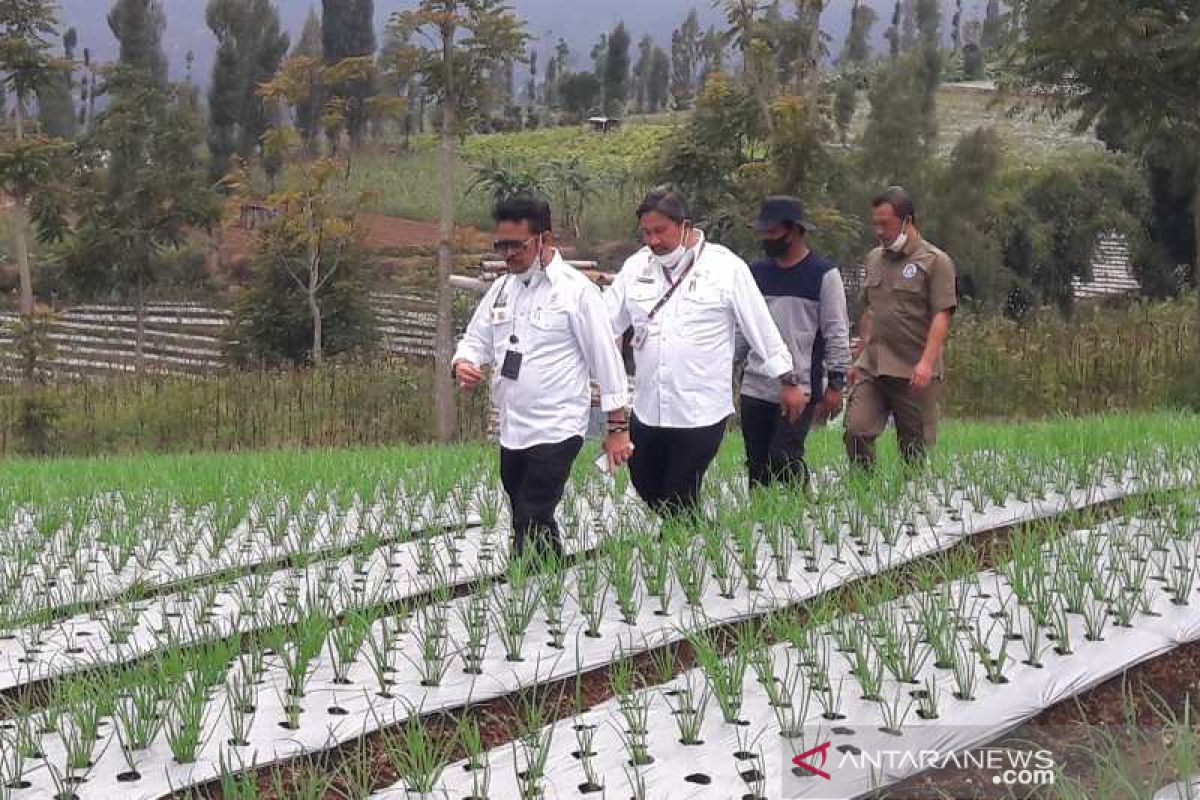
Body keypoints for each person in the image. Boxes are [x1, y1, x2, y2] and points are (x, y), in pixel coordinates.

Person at [606, 188, 805, 518]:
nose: (652, 241)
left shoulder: (725, 267)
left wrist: (788, 380)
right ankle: (690, 538)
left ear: (684, 226)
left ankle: (686, 557)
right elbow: (605, 325)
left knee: (679, 491)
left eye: (660, 231)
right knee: (644, 482)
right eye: (646, 233)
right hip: (648, 406)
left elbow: (760, 327)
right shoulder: (635, 267)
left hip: (699, 410)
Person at [453, 195, 633, 556]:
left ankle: (525, 586)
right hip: (513, 427)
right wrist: (463, 362)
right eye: (500, 245)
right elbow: (476, 338)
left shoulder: (576, 291)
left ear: (544, 239)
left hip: (557, 426)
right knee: (525, 509)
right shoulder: (503, 288)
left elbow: (607, 360)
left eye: (516, 245)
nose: (507, 254)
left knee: (532, 510)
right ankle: (548, 577)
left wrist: (617, 428)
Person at [739, 197, 852, 490]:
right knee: (757, 466)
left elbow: (836, 331)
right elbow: (743, 330)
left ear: (794, 231)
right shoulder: (755, 274)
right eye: (764, 232)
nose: (767, 239)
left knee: (784, 458)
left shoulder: (823, 275)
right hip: (755, 385)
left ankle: (800, 514)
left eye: (773, 232)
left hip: (800, 387)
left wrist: (836, 385)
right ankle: (763, 526)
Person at [845, 186, 957, 470]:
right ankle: (865, 495)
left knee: (913, 449)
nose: (879, 231)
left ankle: (910, 506)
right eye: (875, 224)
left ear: (907, 221)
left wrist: (926, 363)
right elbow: (870, 309)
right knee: (856, 431)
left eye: (886, 224)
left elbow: (942, 315)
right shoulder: (873, 259)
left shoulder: (935, 261)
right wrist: (859, 354)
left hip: (913, 370)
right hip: (874, 366)